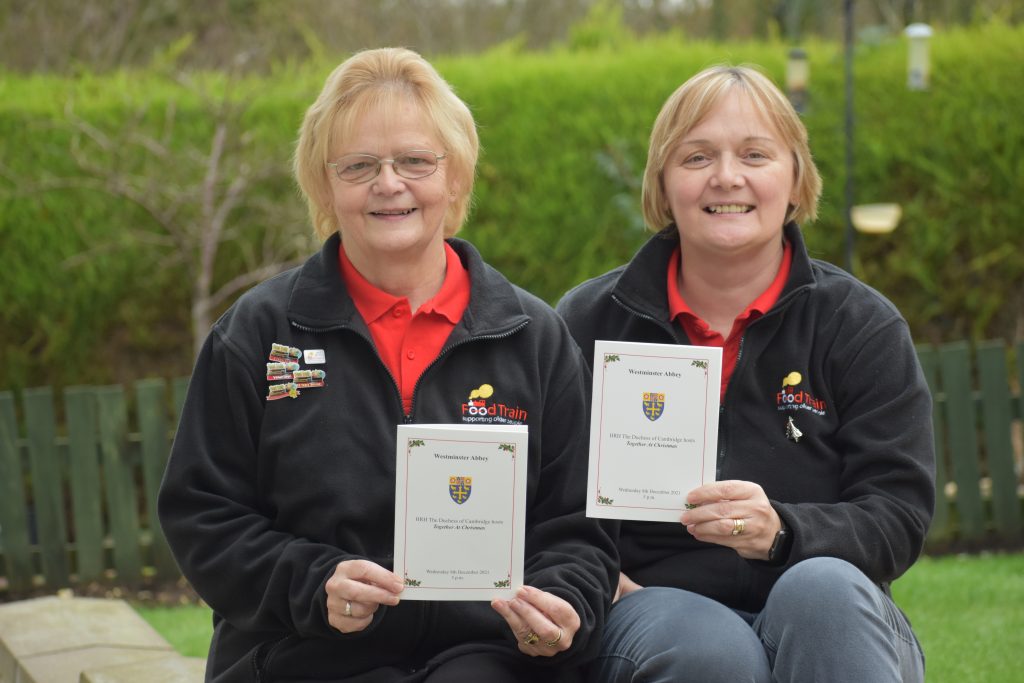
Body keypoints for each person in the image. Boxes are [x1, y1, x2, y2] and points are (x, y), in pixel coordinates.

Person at [158, 47, 617, 683]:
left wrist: (563, 603)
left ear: (456, 176)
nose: (389, 183)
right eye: (359, 165)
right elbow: (202, 515)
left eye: (415, 161)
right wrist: (313, 584)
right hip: (305, 657)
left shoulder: (534, 337)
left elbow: (576, 527)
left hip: (487, 658)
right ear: (323, 184)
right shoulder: (258, 334)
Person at [556, 64, 934, 682]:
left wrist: (785, 530)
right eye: (697, 156)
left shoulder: (860, 324)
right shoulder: (587, 322)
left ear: (795, 178)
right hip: (652, 611)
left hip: (828, 611)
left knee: (824, 592)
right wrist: (592, 575)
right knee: (707, 646)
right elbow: (544, 497)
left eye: (755, 154)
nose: (726, 177)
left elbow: (898, 515)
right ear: (663, 182)